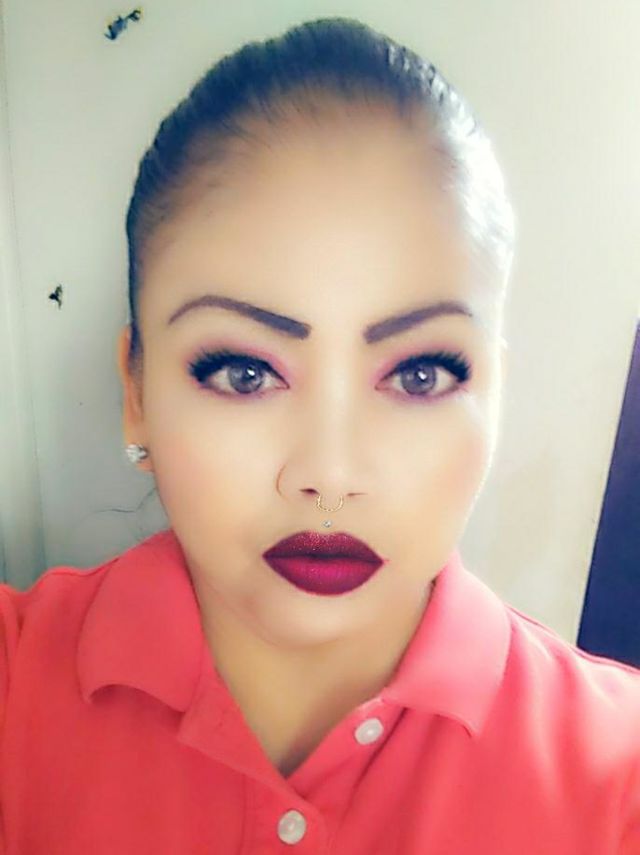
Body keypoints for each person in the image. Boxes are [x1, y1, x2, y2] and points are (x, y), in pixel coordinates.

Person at [1, 15, 638, 854]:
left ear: (495, 396)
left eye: (420, 374)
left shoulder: (617, 776)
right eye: (243, 372)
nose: (330, 475)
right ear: (136, 393)